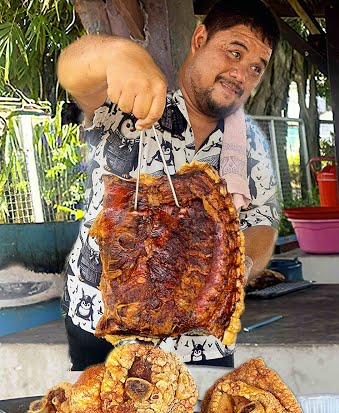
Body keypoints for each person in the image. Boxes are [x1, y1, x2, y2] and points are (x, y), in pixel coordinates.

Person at [56, 0, 281, 370]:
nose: (241, 73)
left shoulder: (251, 143)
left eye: (255, 68)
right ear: (200, 38)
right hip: (103, 329)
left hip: (201, 339)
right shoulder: (127, 105)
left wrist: (232, 270)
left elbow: (262, 222)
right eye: (234, 52)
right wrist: (118, 54)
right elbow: (74, 71)